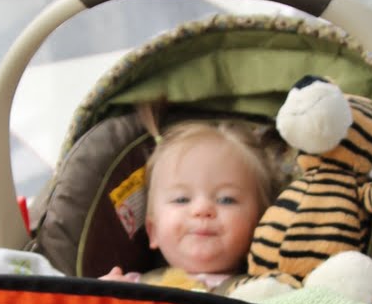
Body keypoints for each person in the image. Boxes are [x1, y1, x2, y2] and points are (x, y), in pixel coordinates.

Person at [108, 121, 283, 290]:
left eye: (226, 200)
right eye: (182, 199)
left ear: (259, 227)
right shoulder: (132, 289)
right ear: (153, 231)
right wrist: (102, 297)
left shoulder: (265, 290)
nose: (202, 209)